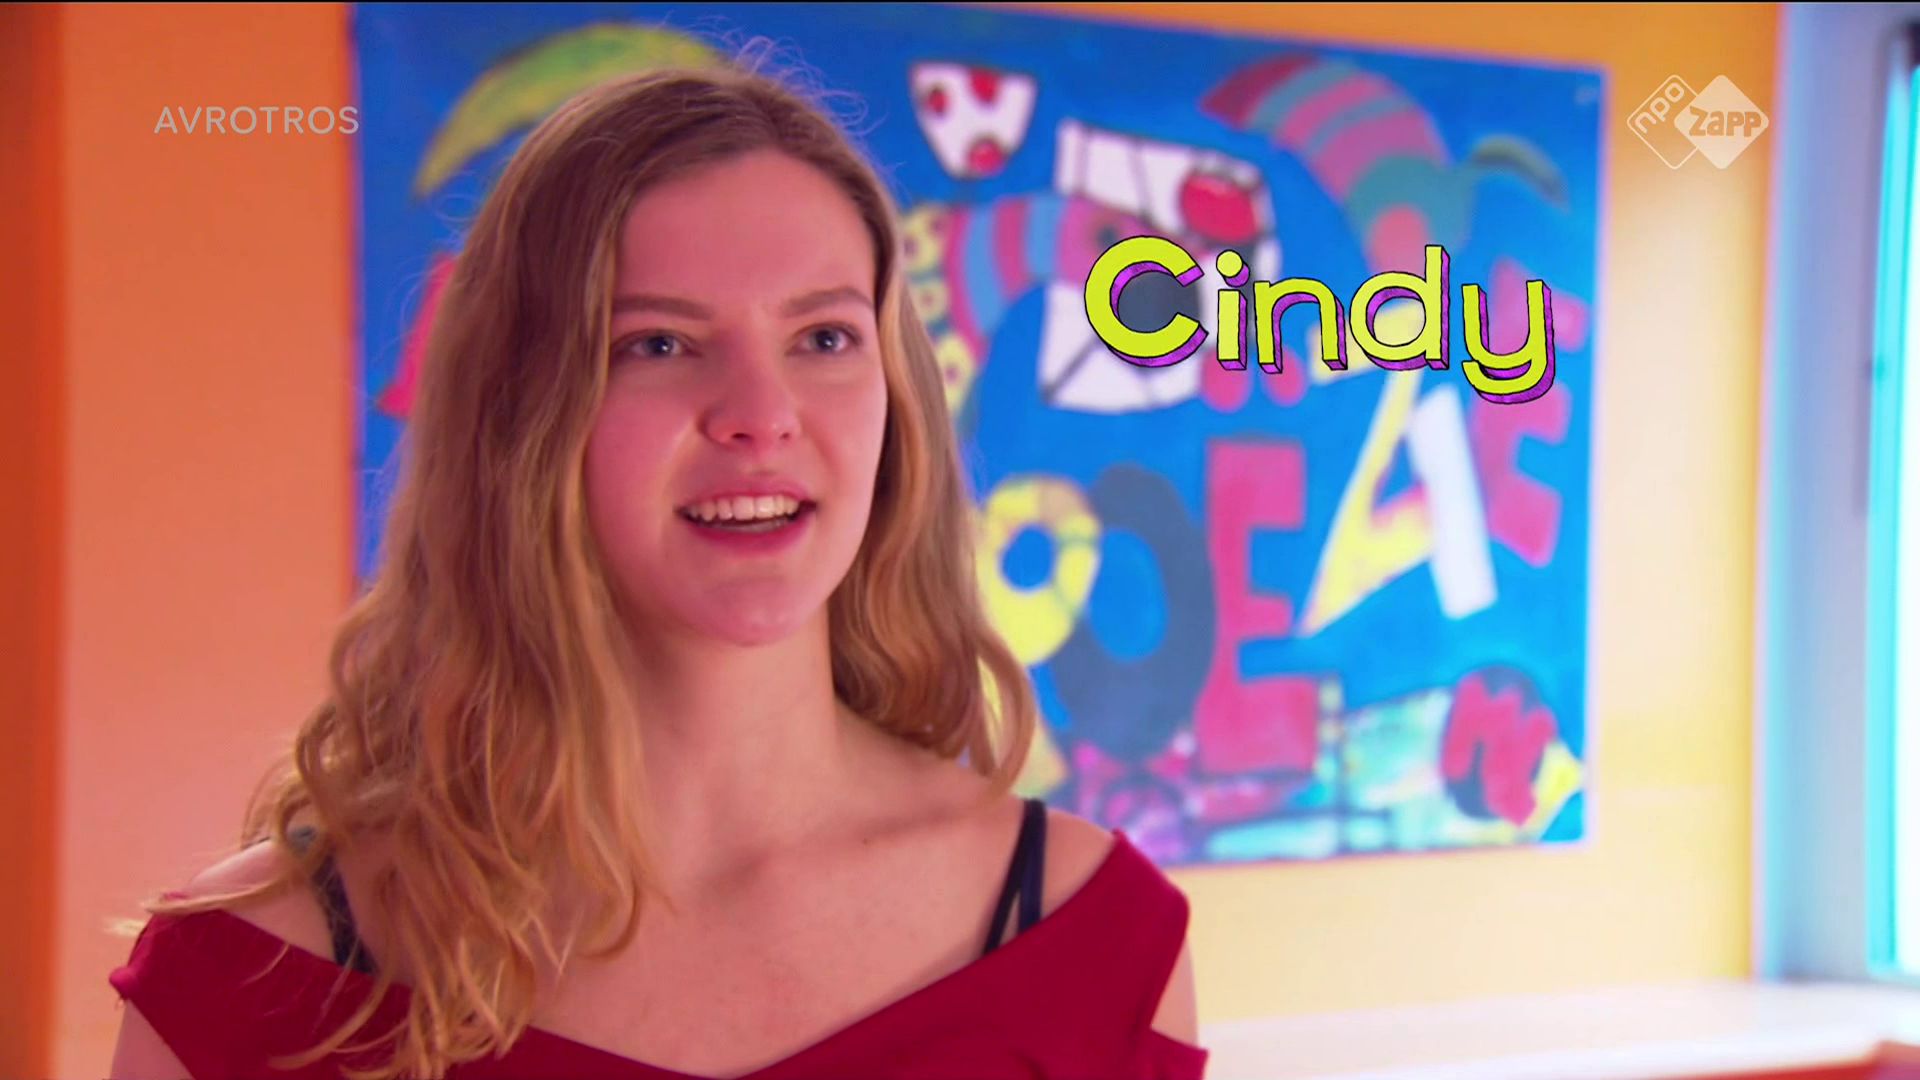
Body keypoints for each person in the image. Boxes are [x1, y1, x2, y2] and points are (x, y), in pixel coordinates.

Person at [106, 58, 1204, 1080]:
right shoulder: (246, 972)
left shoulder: (1097, 941)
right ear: (517, 414)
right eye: (659, 344)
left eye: (823, 338)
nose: (762, 416)